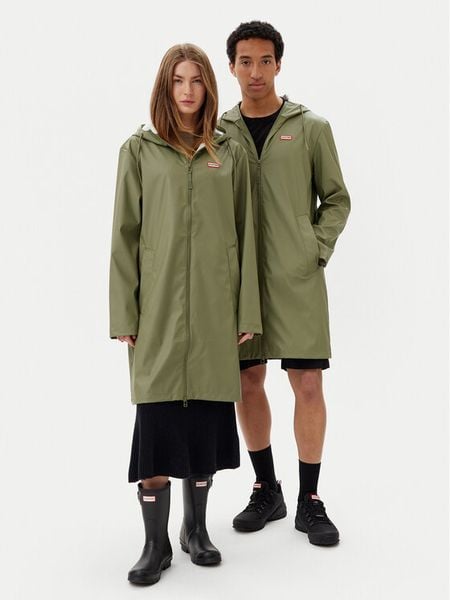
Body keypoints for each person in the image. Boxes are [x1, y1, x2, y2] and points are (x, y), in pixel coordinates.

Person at [109, 43, 261, 586]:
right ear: (165, 87)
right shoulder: (139, 150)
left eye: (197, 80)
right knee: (154, 427)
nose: (188, 90)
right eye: (178, 80)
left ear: (208, 87)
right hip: (157, 315)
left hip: (216, 313)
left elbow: (245, 234)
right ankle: (155, 544)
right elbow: (124, 236)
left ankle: (196, 531)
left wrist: (246, 310)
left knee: (203, 433)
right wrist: (124, 314)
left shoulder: (229, 152)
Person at [219, 21, 351, 546]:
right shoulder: (219, 132)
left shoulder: (311, 127)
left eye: (265, 60)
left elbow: (336, 199)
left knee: (308, 383)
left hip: (296, 279)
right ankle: (266, 488)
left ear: (278, 64)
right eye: (245, 61)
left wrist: (312, 248)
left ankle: (309, 499)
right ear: (231, 66)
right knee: (247, 382)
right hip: (239, 283)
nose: (255, 71)